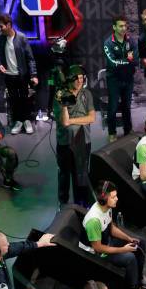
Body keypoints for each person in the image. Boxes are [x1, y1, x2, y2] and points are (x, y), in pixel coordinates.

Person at [79, 180, 146, 289]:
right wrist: (123, 249)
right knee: (130, 257)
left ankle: (139, 279)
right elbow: (98, 248)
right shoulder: (94, 220)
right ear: (104, 198)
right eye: (113, 197)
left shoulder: (107, 208)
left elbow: (112, 229)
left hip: (105, 243)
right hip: (94, 255)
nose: (117, 199)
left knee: (139, 243)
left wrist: (129, 238)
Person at [53, 64, 95, 208]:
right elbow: (64, 122)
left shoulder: (86, 94)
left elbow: (91, 118)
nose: (80, 81)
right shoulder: (60, 96)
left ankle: (81, 203)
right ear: (70, 80)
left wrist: (72, 120)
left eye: (82, 78)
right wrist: (65, 105)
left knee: (81, 174)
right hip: (65, 143)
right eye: (76, 79)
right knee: (64, 174)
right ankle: (62, 203)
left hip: (84, 141)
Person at [0, 13, 38, 134]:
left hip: (22, 75)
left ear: (9, 25)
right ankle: (18, 122)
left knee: (25, 98)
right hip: (9, 76)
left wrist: (33, 75)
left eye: (1, 26)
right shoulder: (0, 38)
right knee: (14, 100)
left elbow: (30, 58)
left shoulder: (21, 38)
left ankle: (27, 121)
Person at [103, 13, 138, 142]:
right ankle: (112, 133)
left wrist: (126, 61)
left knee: (126, 106)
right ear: (114, 27)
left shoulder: (131, 41)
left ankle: (128, 130)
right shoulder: (108, 43)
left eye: (125, 25)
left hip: (128, 79)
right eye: (121, 26)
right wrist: (127, 60)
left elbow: (136, 61)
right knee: (112, 107)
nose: (124, 28)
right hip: (114, 80)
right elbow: (112, 63)